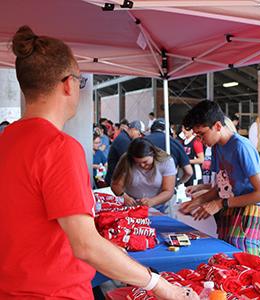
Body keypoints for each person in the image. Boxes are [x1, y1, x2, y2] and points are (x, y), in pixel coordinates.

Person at [0, 25, 198, 299]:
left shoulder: (7, 139)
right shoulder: (58, 147)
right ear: (68, 84)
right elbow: (85, 245)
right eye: (81, 83)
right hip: (55, 292)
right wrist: (161, 286)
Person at [180, 100, 260, 255]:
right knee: (224, 258)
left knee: (243, 261)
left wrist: (220, 203)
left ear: (217, 126)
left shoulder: (241, 146)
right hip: (229, 210)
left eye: (202, 135)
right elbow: (220, 187)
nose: (200, 140)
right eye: (197, 136)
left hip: (248, 212)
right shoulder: (216, 148)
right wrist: (194, 203)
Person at [111, 138, 177, 212]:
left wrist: (152, 201)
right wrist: (123, 196)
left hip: (159, 206)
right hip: (132, 206)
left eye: (145, 162)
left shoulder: (166, 161)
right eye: (137, 163)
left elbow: (168, 191)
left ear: (153, 154)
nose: (142, 165)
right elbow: (116, 185)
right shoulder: (126, 160)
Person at [145, 118, 193, 185]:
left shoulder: (142, 141)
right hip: (168, 186)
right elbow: (189, 172)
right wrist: (178, 183)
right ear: (168, 130)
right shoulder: (175, 143)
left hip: (144, 186)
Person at [105, 120, 145, 185]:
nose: (140, 136)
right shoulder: (124, 140)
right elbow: (130, 161)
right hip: (116, 181)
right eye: (139, 133)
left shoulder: (124, 137)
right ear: (133, 129)